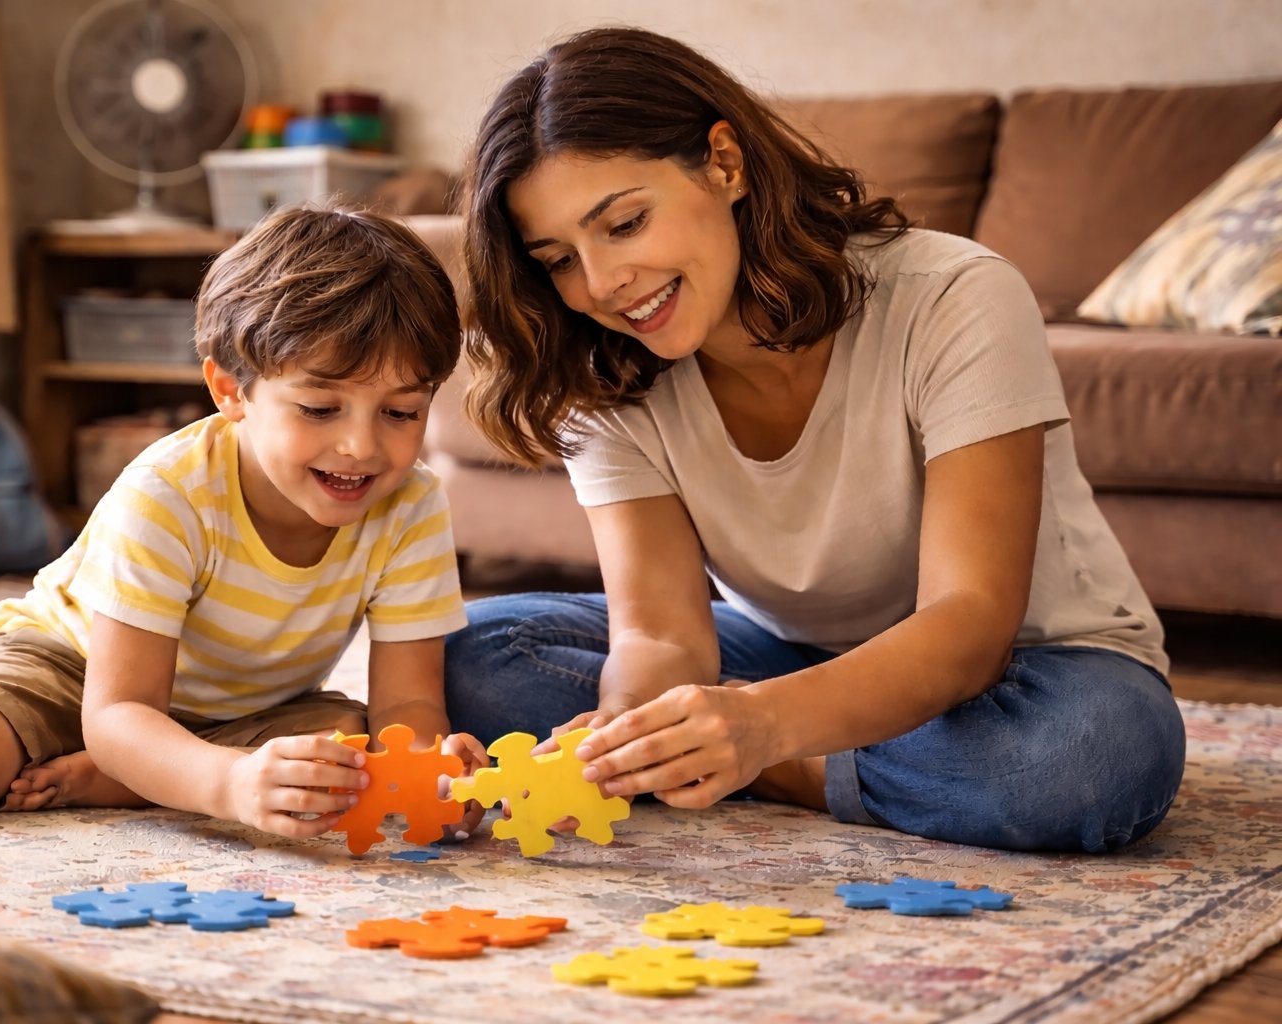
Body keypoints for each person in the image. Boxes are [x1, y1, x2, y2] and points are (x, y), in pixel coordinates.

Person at [442, 26, 1184, 853]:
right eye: (557, 260)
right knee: (474, 654)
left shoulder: (954, 298)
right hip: (783, 655)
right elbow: (662, 634)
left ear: (725, 163)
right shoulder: (601, 369)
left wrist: (761, 731)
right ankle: (748, 756)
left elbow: (969, 622)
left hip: (1028, 666)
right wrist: (630, 728)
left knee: (1090, 760)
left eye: (623, 223)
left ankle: (774, 767)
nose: (600, 285)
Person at [0, 204, 486, 843]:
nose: (362, 446)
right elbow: (120, 709)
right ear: (231, 390)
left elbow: (407, 708)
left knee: (349, 753)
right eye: (320, 409)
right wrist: (230, 787)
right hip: (76, 673)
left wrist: (429, 772)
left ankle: (142, 775)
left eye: (401, 413)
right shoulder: (169, 491)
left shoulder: (411, 504)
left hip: (244, 710)